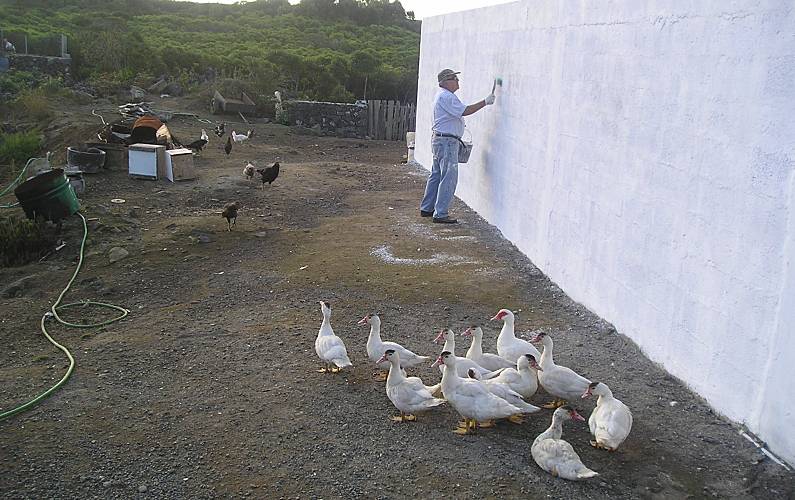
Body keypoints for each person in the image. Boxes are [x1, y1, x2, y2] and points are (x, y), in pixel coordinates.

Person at [419, 68, 495, 224]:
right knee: (449, 177)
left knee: (437, 174)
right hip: (447, 142)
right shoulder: (447, 97)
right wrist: (485, 102)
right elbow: (465, 111)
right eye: (455, 79)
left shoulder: (442, 95)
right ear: (446, 82)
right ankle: (440, 214)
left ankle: (427, 208)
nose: (458, 82)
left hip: (441, 140)